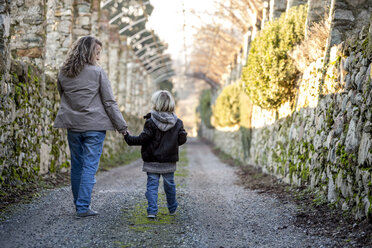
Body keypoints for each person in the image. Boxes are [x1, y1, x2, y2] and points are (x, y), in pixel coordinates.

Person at [54, 36, 128, 218]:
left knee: (77, 166)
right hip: (94, 127)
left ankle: (78, 203)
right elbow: (109, 102)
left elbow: (62, 95)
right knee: (89, 167)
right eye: (97, 53)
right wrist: (122, 127)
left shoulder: (63, 73)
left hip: (73, 126)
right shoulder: (98, 73)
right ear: (89, 53)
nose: (99, 57)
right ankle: (82, 207)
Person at [124, 90, 187, 218]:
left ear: (155, 104)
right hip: (169, 160)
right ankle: (172, 208)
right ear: (171, 104)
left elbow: (143, 139)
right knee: (170, 184)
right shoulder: (177, 122)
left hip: (152, 160)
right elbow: (182, 139)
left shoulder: (151, 122)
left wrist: (128, 137)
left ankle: (152, 211)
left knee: (152, 185)